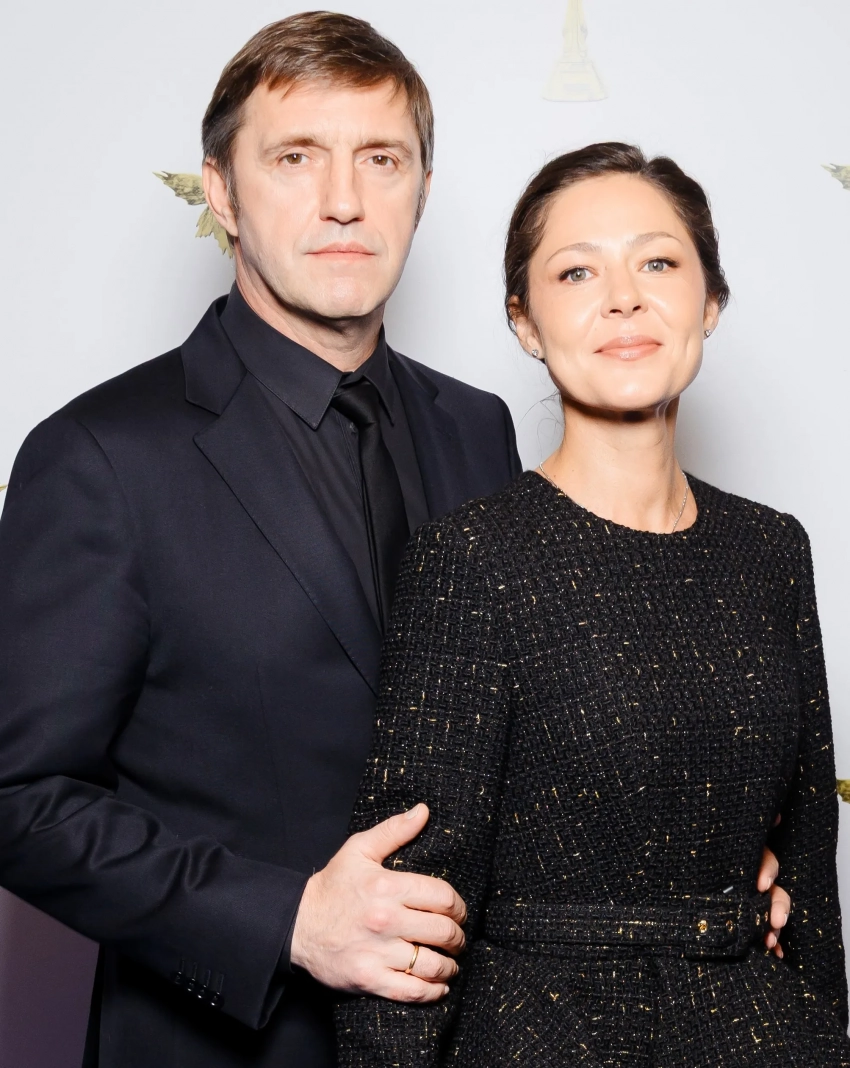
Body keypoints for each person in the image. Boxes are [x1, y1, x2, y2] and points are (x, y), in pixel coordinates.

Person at [335, 143, 848, 1066]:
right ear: (525, 322)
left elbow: (809, 867)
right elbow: (407, 913)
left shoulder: (772, 549)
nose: (624, 299)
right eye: (577, 272)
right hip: (543, 1037)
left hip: (764, 1037)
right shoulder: (472, 559)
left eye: (659, 263)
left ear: (710, 301)